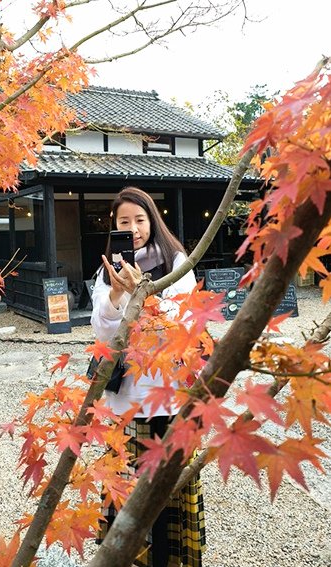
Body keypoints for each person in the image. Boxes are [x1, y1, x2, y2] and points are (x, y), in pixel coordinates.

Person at [91, 187, 205, 567]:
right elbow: (104, 334)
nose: (134, 228)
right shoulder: (107, 272)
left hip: (171, 395)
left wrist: (143, 294)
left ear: (152, 220)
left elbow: (182, 323)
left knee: (169, 491)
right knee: (127, 489)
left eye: (139, 220)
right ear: (115, 225)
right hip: (128, 399)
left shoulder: (176, 262)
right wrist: (119, 296)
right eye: (125, 222)